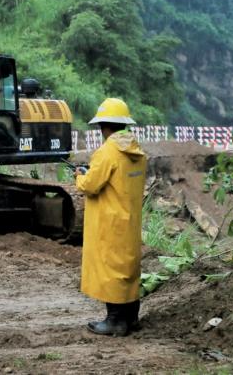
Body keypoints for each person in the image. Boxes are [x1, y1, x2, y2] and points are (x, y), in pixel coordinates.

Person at [75, 98, 147, 336]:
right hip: (130, 222)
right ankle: (131, 317)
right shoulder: (137, 151)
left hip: (109, 223)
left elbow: (90, 185)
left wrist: (80, 176)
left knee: (110, 271)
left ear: (104, 126)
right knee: (127, 269)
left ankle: (115, 321)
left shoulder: (107, 152)